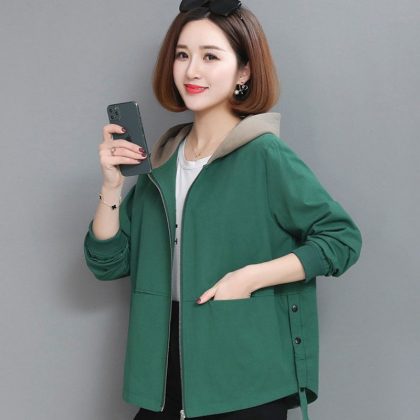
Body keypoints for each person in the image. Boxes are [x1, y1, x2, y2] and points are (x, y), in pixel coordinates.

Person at [83, 1, 362, 419]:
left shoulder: (264, 156)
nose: (192, 70)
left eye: (210, 56)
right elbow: (109, 263)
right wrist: (111, 186)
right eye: (182, 55)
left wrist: (248, 278)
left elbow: (342, 239)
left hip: (244, 375)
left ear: (243, 71)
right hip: (163, 371)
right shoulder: (162, 164)